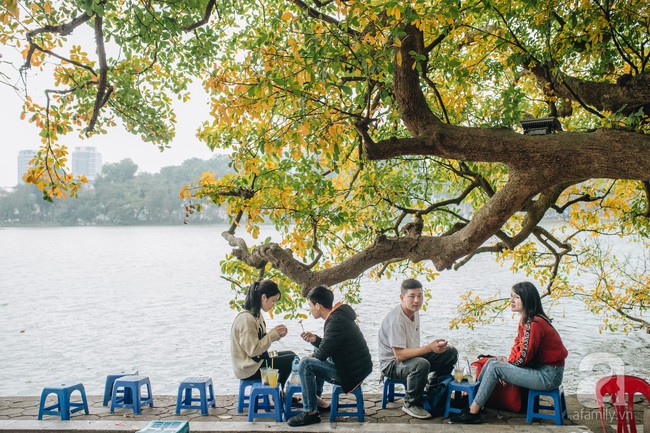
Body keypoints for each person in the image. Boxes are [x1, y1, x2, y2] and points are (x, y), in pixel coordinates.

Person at [450, 281, 568, 424]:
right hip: (542, 370)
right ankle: (475, 402)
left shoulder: (534, 324)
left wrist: (506, 367)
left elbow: (524, 356)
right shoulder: (526, 321)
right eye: (511, 296)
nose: (511, 301)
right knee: (492, 362)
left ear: (527, 299)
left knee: (496, 367)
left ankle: (473, 412)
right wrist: (507, 363)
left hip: (549, 376)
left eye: (516, 297)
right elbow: (517, 347)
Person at [287, 285, 373, 427]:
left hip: (351, 374)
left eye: (310, 305)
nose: (310, 309)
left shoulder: (335, 321)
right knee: (313, 359)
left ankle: (310, 413)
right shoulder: (338, 316)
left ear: (318, 306)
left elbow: (321, 354)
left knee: (305, 363)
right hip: (356, 368)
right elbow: (330, 346)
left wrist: (313, 355)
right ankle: (317, 400)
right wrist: (315, 339)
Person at [378, 278, 458, 419]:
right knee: (421, 364)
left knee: (450, 353)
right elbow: (400, 356)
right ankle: (411, 403)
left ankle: (433, 390)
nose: (417, 300)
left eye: (420, 296)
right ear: (402, 298)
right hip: (392, 365)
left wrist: (435, 349)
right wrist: (429, 348)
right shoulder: (396, 320)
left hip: (410, 358)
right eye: (412, 296)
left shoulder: (414, 312)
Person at [230, 279, 296, 388]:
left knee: (292, 355)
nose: (273, 304)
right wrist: (271, 335)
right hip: (249, 368)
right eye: (273, 300)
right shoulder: (247, 319)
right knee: (291, 360)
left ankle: (279, 391)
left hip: (257, 361)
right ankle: (279, 392)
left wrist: (276, 335)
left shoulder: (256, 314)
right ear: (264, 297)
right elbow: (253, 350)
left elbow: (261, 339)